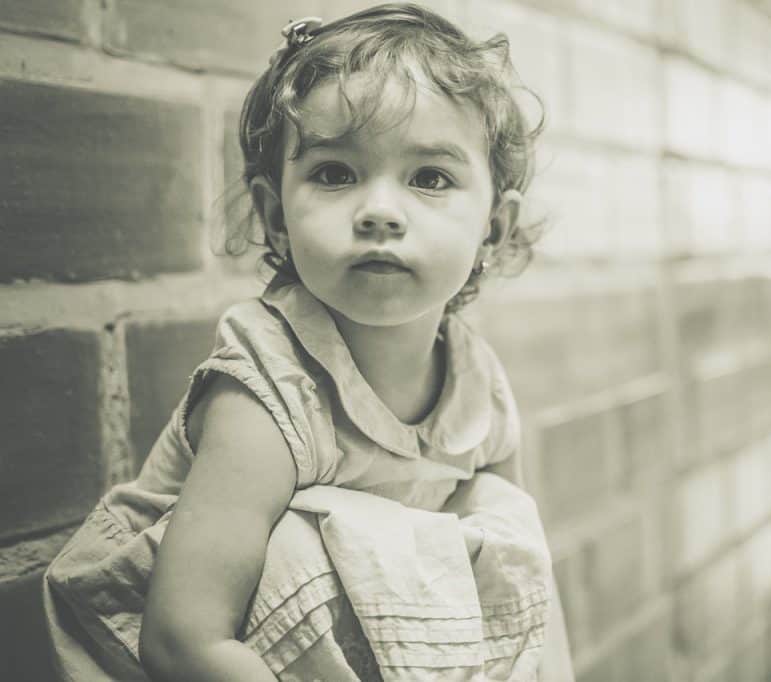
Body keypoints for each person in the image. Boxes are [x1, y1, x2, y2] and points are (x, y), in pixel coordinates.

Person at [43, 4, 573, 680]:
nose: (379, 209)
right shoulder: (268, 388)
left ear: (493, 232)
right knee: (300, 538)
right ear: (276, 217)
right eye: (334, 173)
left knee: (503, 517)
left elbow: (516, 584)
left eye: (430, 178)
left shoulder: (477, 382)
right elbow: (182, 640)